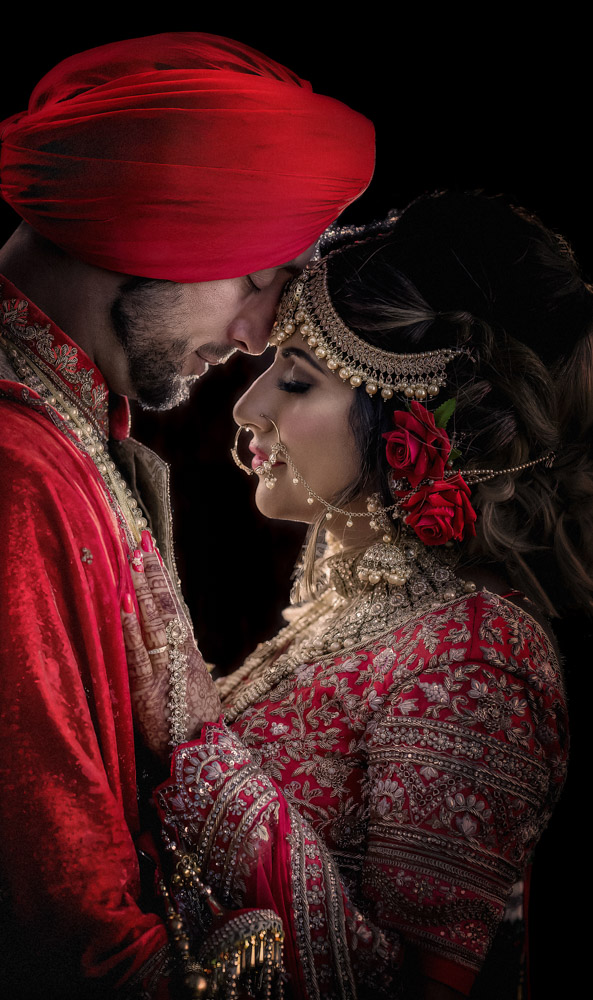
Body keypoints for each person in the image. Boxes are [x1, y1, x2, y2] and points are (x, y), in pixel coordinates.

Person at [0, 32, 376, 1000]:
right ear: (155, 229)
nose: (255, 335)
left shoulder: (56, 412)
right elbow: (68, 936)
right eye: (256, 280)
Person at [122, 191, 590, 999]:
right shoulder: (364, 619)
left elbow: (404, 989)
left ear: (415, 421)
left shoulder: (477, 658)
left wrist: (193, 731)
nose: (248, 405)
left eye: (297, 383)